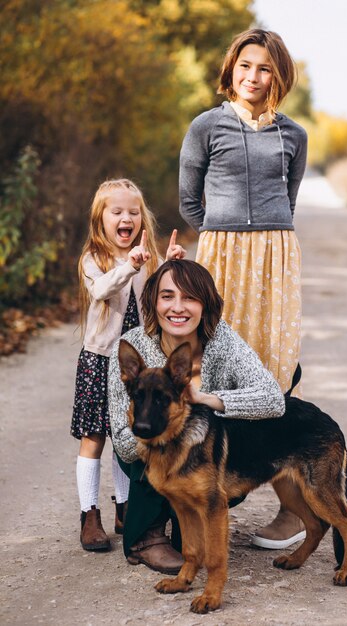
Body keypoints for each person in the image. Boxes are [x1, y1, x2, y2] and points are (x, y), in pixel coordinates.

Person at [178, 28, 308, 549]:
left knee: (274, 375)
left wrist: (268, 247)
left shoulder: (293, 135)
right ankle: (202, 493)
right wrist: (221, 242)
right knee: (214, 365)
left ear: (279, 75)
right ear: (231, 68)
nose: (253, 77)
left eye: (265, 69)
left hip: (275, 261)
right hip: (222, 258)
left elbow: (289, 203)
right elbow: (190, 202)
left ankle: (291, 509)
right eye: (245, 66)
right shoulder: (206, 126)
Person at [108, 259, 285, 573]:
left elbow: (273, 398)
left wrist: (205, 399)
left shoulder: (222, 340)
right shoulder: (133, 346)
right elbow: (123, 440)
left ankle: (188, 526)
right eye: (167, 296)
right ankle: (148, 534)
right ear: (153, 301)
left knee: (197, 523)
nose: (178, 307)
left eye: (189, 297)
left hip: (203, 456)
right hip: (148, 455)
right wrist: (164, 435)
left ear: (206, 304)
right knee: (152, 455)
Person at [71, 178, 185, 551]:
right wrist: (130, 266)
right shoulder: (94, 259)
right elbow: (102, 289)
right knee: (95, 438)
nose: (126, 217)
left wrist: (168, 266)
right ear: (100, 220)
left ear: (142, 220)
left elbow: (156, 297)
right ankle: (89, 514)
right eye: (116, 212)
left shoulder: (146, 256)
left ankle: (125, 507)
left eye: (133, 212)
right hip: (99, 360)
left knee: (129, 436)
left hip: (135, 368)